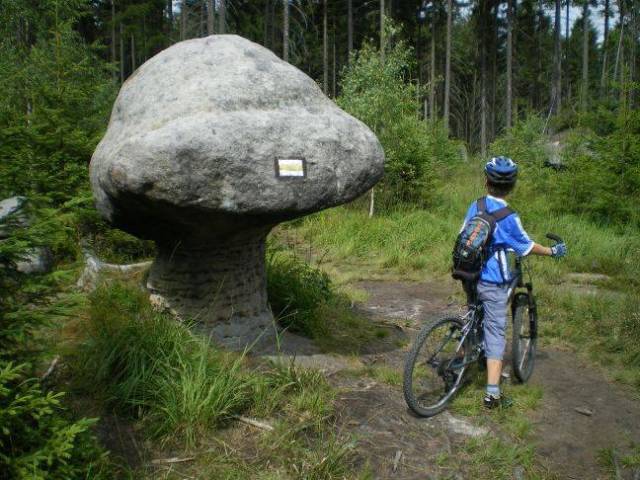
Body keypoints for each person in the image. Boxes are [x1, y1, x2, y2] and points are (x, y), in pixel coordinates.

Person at [461, 156, 567, 409]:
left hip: (467, 273)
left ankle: (465, 358)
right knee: (496, 332)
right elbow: (526, 247)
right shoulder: (508, 215)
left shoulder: (476, 205)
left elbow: (464, 233)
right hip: (492, 280)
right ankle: (493, 395)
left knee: (473, 315)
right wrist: (552, 251)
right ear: (512, 186)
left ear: (486, 182)